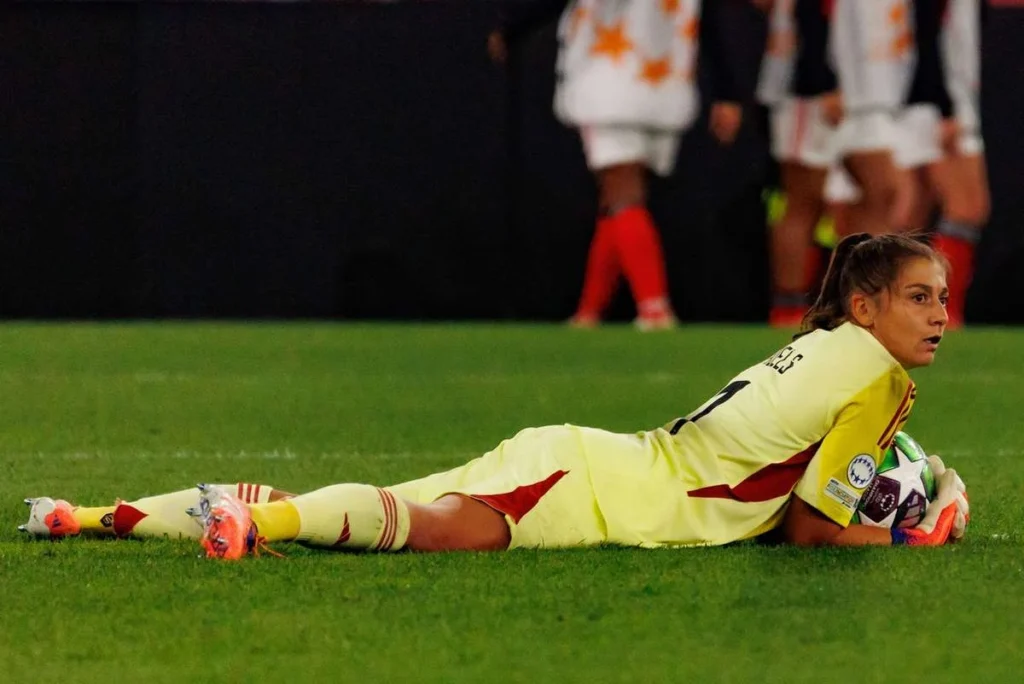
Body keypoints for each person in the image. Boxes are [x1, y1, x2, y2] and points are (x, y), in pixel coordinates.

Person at [21, 233, 969, 559]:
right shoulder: (880, 381)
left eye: (944, 298)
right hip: (600, 488)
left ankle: (84, 514)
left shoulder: (819, 348)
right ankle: (248, 527)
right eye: (919, 298)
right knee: (425, 527)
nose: (938, 317)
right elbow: (812, 533)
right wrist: (913, 530)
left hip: (592, 459)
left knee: (383, 511)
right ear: (864, 303)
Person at [489, 0, 745, 330]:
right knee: (617, 200)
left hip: (609, 81)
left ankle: (654, 307)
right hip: (663, 85)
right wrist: (728, 92)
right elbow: (710, 21)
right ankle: (589, 313)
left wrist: (511, 28)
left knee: (624, 196)